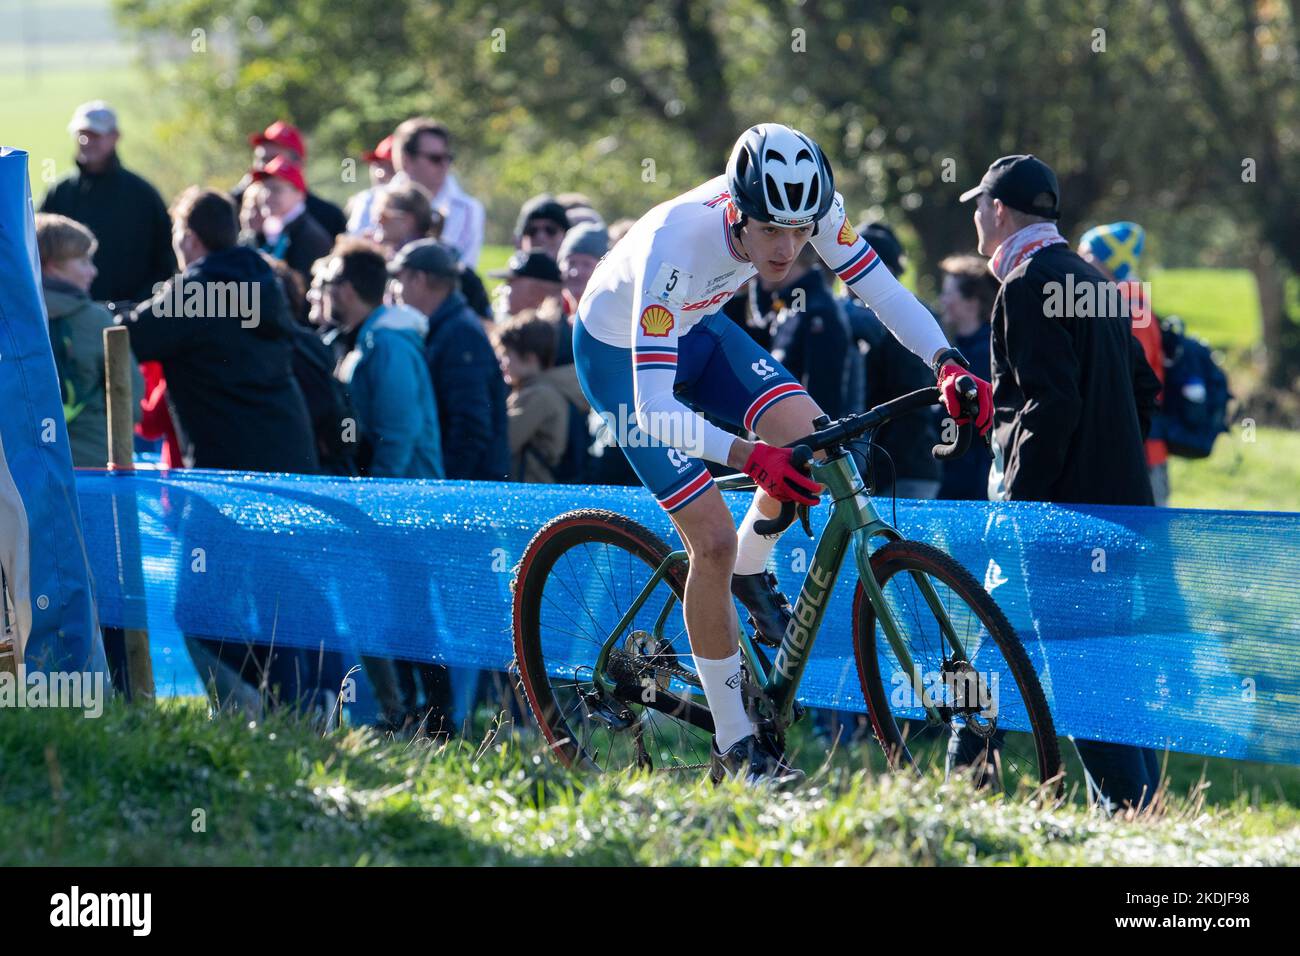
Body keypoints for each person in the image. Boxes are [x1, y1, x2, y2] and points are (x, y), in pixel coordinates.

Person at [572, 124, 992, 783]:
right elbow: (653, 408)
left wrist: (946, 361)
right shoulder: (676, 244)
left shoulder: (810, 207)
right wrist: (746, 454)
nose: (788, 248)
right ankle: (739, 748)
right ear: (737, 212)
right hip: (621, 356)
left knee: (816, 440)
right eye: (771, 231)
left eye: (799, 232)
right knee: (709, 540)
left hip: (699, 329)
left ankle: (750, 569)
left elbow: (880, 291)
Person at [958, 154, 1162, 810]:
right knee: (1009, 646)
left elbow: (1052, 404)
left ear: (997, 210)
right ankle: (965, 788)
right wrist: (1113, 454)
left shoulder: (1024, 282)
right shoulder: (1091, 278)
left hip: (1055, 518)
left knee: (1076, 675)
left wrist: (1022, 504)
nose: (974, 219)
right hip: (1120, 507)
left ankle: (1131, 816)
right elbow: (1142, 386)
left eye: (977, 207)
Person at [122, 187, 319, 473]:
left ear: (188, 238)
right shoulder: (261, 280)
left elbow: (130, 336)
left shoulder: (195, 290)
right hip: (288, 452)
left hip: (229, 464)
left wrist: (88, 312)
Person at [388, 239, 510, 481]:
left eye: (399, 279)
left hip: (468, 490)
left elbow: (470, 425)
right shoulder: (448, 327)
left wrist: (445, 485)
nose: (394, 289)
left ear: (419, 280)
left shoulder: (460, 334)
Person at [839, 223, 942, 499]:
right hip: (911, 462)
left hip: (896, 468)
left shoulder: (884, 322)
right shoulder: (921, 314)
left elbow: (900, 392)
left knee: (898, 544)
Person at [40, 100, 175, 309]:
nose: (86, 141)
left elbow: (165, 259)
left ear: (115, 137)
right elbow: (37, 251)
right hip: (68, 315)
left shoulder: (143, 196)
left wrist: (138, 306)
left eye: (95, 134)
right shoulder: (60, 193)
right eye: (82, 134)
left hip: (133, 319)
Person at [35, 213, 143, 467]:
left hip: (27, 467)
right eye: (83, 262)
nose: (93, 271)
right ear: (51, 265)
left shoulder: (14, 321)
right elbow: (131, 394)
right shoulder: (95, 320)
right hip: (93, 463)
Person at [1079, 221, 1169, 506]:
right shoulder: (1119, 300)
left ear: (1106, 262)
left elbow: (1128, 380)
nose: (1076, 260)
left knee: (1147, 543)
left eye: (1085, 253)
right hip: (1133, 445)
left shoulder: (1128, 306)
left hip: (1140, 451)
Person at [753, 242, 851, 420]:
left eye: (763, 258)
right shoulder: (789, 303)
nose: (754, 268)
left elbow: (822, 402)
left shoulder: (818, 312)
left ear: (787, 257)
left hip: (798, 444)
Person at [495, 313, 591, 483]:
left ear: (530, 358)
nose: (503, 362)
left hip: (532, 491)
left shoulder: (538, 395)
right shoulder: (551, 389)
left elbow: (502, 442)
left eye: (507, 353)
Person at [935, 254, 999, 500]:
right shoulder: (954, 350)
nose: (942, 300)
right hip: (955, 471)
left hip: (975, 480)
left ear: (971, 302)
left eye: (949, 293)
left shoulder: (988, 353)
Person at [390, 117, 485, 267]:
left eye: (448, 158)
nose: (444, 165)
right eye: (435, 158)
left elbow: (465, 272)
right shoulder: (369, 202)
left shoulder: (470, 210)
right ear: (406, 159)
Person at [234, 120, 347, 238]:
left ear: (298, 163)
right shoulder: (237, 207)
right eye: (261, 160)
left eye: (272, 159)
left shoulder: (328, 216)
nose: (265, 168)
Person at [250, 155, 333, 286]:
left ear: (299, 195)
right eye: (264, 188)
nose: (266, 196)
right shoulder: (268, 230)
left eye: (276, 190)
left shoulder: (309, 238)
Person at [371, 182, 442, 257]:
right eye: (376, 215)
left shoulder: (420, 259)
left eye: (383, 216)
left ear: (408, 221)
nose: (377, 221)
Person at [345, 134, 396, 236]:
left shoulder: (416, 200)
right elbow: (354, 237)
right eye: (377, 165)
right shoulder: (365, 198)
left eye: (389, 166)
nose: (380, 173)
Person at [515, 194, 570, 260]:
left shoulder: (580, 269)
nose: (541, 236)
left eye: (550, 230)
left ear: (566, 234)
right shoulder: (511, 269)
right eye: (532, 231)